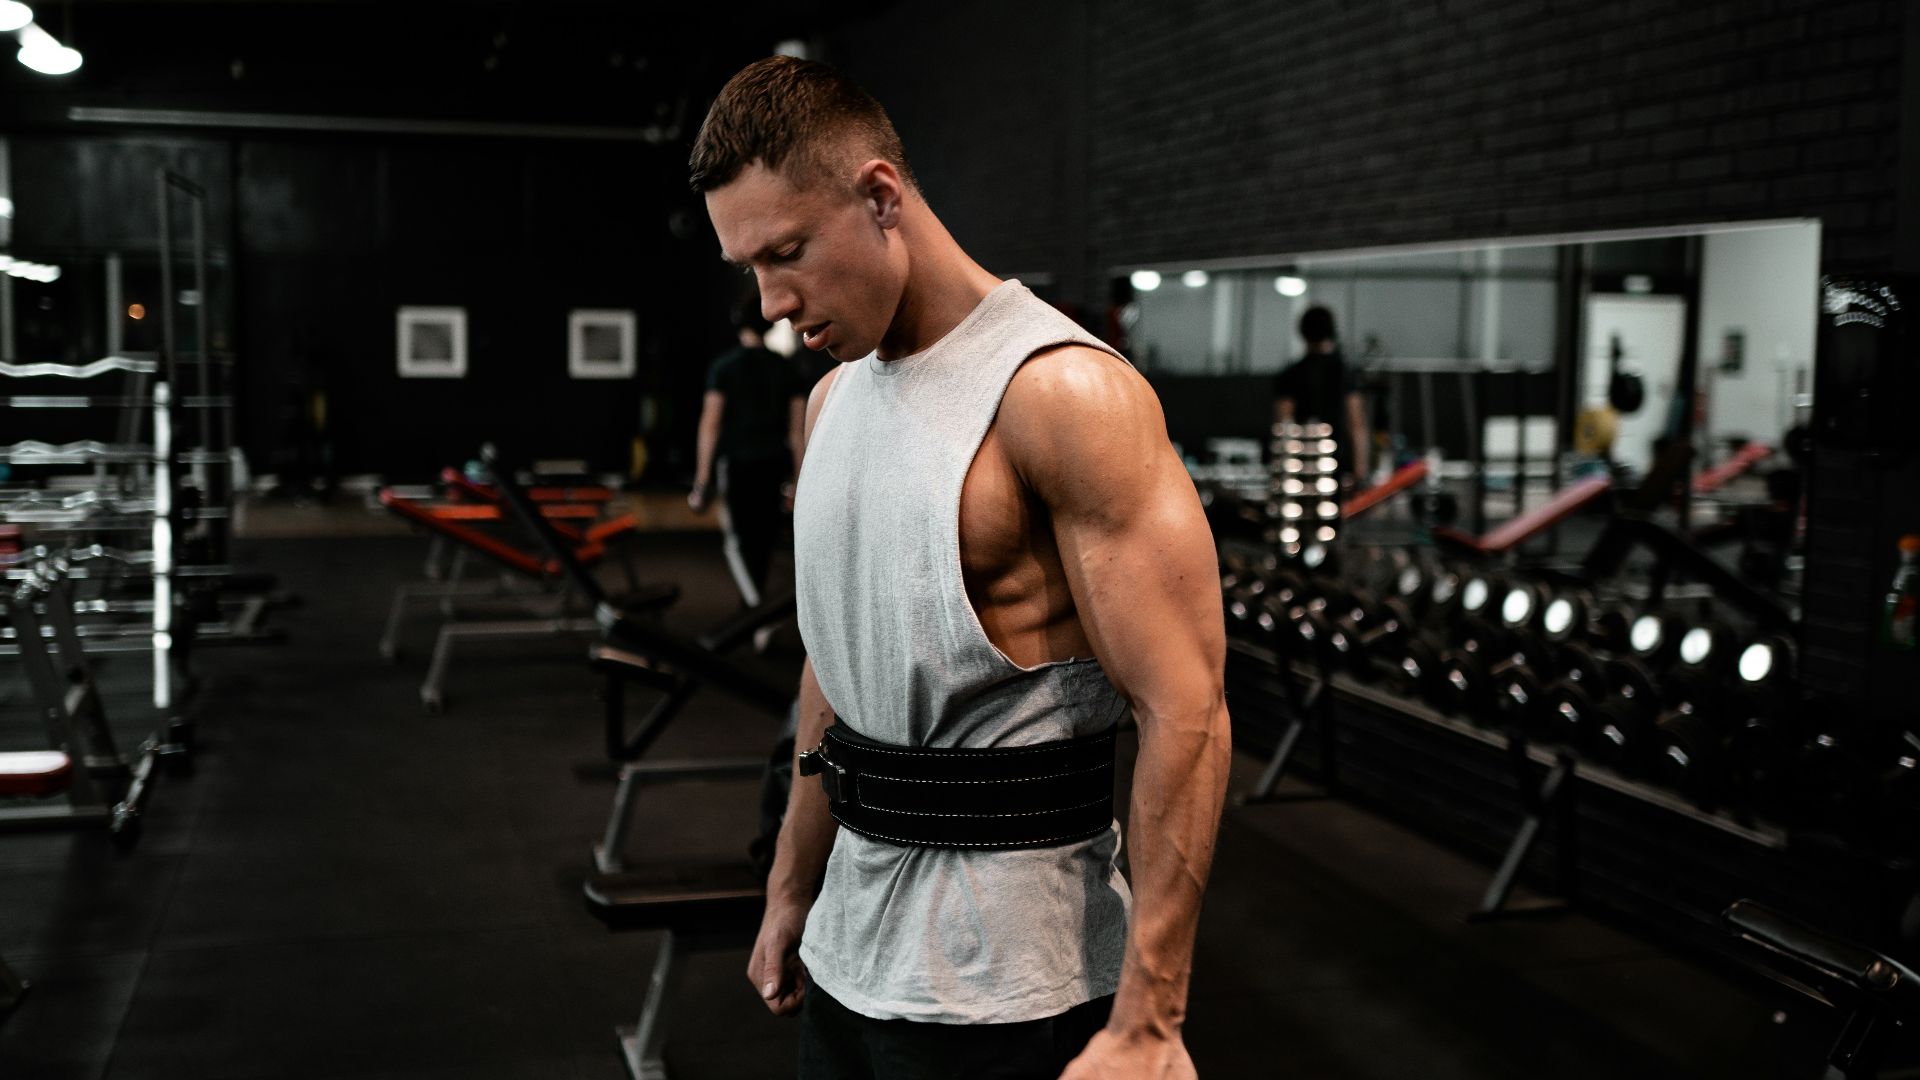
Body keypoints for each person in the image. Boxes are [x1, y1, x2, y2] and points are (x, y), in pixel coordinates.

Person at [691, 56, 1231, 1079]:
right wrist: (790, 887)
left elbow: (1186, 708)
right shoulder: (833, 400)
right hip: (851, 951)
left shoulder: (1059, 394)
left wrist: (1150, 1019)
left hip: (1012, 988)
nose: (771, 301)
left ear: (880, 196)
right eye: (748, 268)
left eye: (788, 252)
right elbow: (835, 665)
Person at [690, 303, 808, 612]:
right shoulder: (787, 369)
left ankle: (755, 613)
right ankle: (756, 613)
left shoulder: (724, 367)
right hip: (773, 465)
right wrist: (799, 482)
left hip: (738, 466)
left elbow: (710, 426)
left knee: (739, 543)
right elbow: (796, 434)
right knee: (762, 542)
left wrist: (701, 482)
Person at [1273, 305, 1370, 487]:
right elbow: (1356, 422)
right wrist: (1360, 471)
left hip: (1302, 466)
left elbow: (1284, 423)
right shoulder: (1345, 372)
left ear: (1302, 333)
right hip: (1339, 464)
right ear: (1332, 331)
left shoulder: (1291, 373)